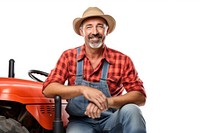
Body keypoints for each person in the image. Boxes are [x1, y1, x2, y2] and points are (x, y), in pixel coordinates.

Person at [42, 7, 147, 133]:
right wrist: (82, 89)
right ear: (82, 32)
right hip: (80, 122)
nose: (95, 31)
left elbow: (140, 97)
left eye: (100, 26)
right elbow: (48, 89)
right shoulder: (69, 56)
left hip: (112, 119)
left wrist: (107, 102)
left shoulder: (122, 60)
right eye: (89, 27)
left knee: (132, 111)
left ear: (107, 31)